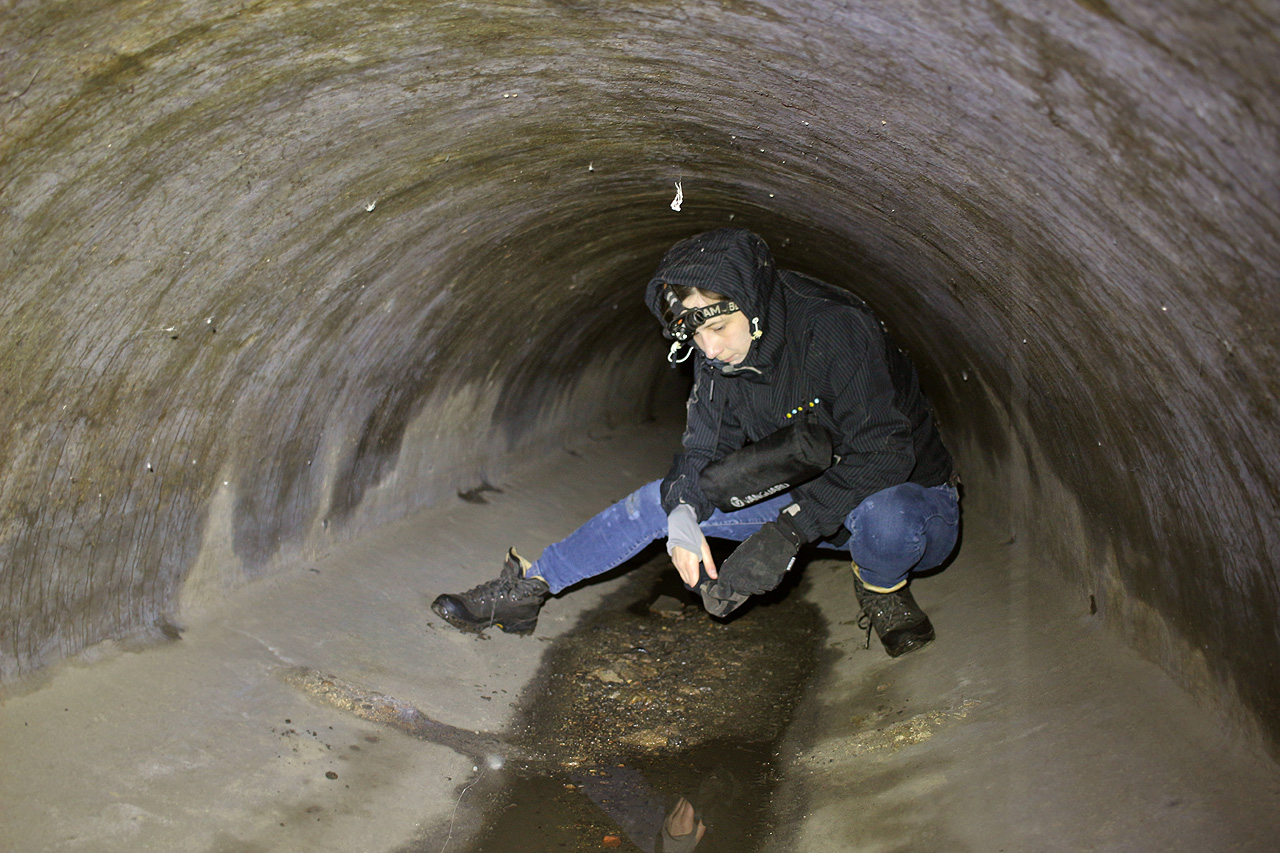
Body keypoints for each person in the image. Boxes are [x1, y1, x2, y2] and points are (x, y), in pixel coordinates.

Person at [432, 228, 959, 656]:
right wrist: (683, 513)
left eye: (721, 329)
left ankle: (881, 587)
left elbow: (887, 451)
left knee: (886, 517)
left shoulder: (833, 328)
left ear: (751, 306)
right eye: (696, 337)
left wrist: (788, 533)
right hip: (808, 484)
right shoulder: (716, 358)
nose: (710, 350)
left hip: (907, 497)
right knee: (657, 503)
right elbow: (701, 448)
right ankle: (531, 587)